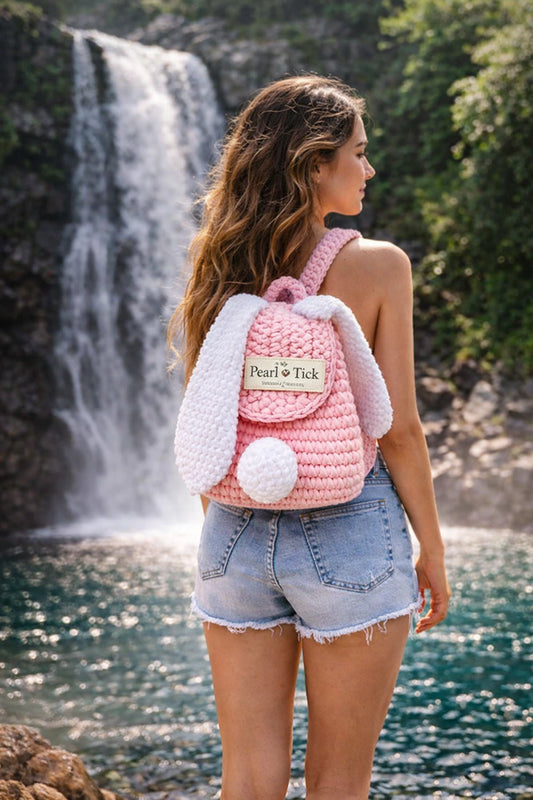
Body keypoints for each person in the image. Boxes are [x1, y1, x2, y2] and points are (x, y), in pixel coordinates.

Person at [168, 75, 450, 800]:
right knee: (337, 784)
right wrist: (432, 550)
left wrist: (229, 532)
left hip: (230, 535)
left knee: (249, 779)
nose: (369, 168)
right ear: (313, 164)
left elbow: (209, 422)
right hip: (350, 534)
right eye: (357, 153)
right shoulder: (378, 265)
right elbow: (398, 430)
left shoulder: (220, 261)